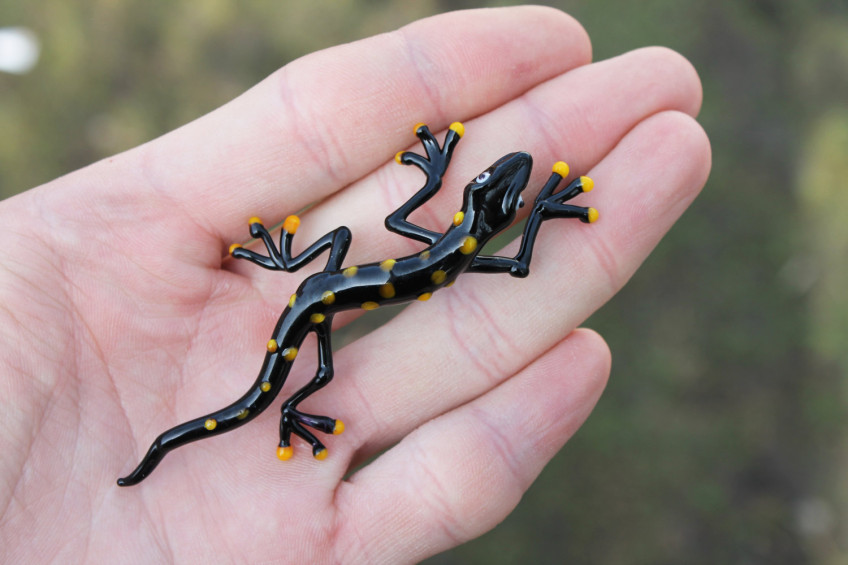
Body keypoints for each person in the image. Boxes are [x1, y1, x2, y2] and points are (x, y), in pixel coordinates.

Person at [0, 6, 710, 563]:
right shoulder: (464, 248)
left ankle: (280, 346)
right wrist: (544, 212)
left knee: (314, 331)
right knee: (296, 375)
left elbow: (422, 227)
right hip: (317, 298)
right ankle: (283, 402)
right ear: (487, 206)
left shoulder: (455, 244)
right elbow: (517, 262)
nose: (506, 181)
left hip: (325, 286)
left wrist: (440, 180)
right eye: (508, 191)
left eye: (507, 192)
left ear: (480, 202)